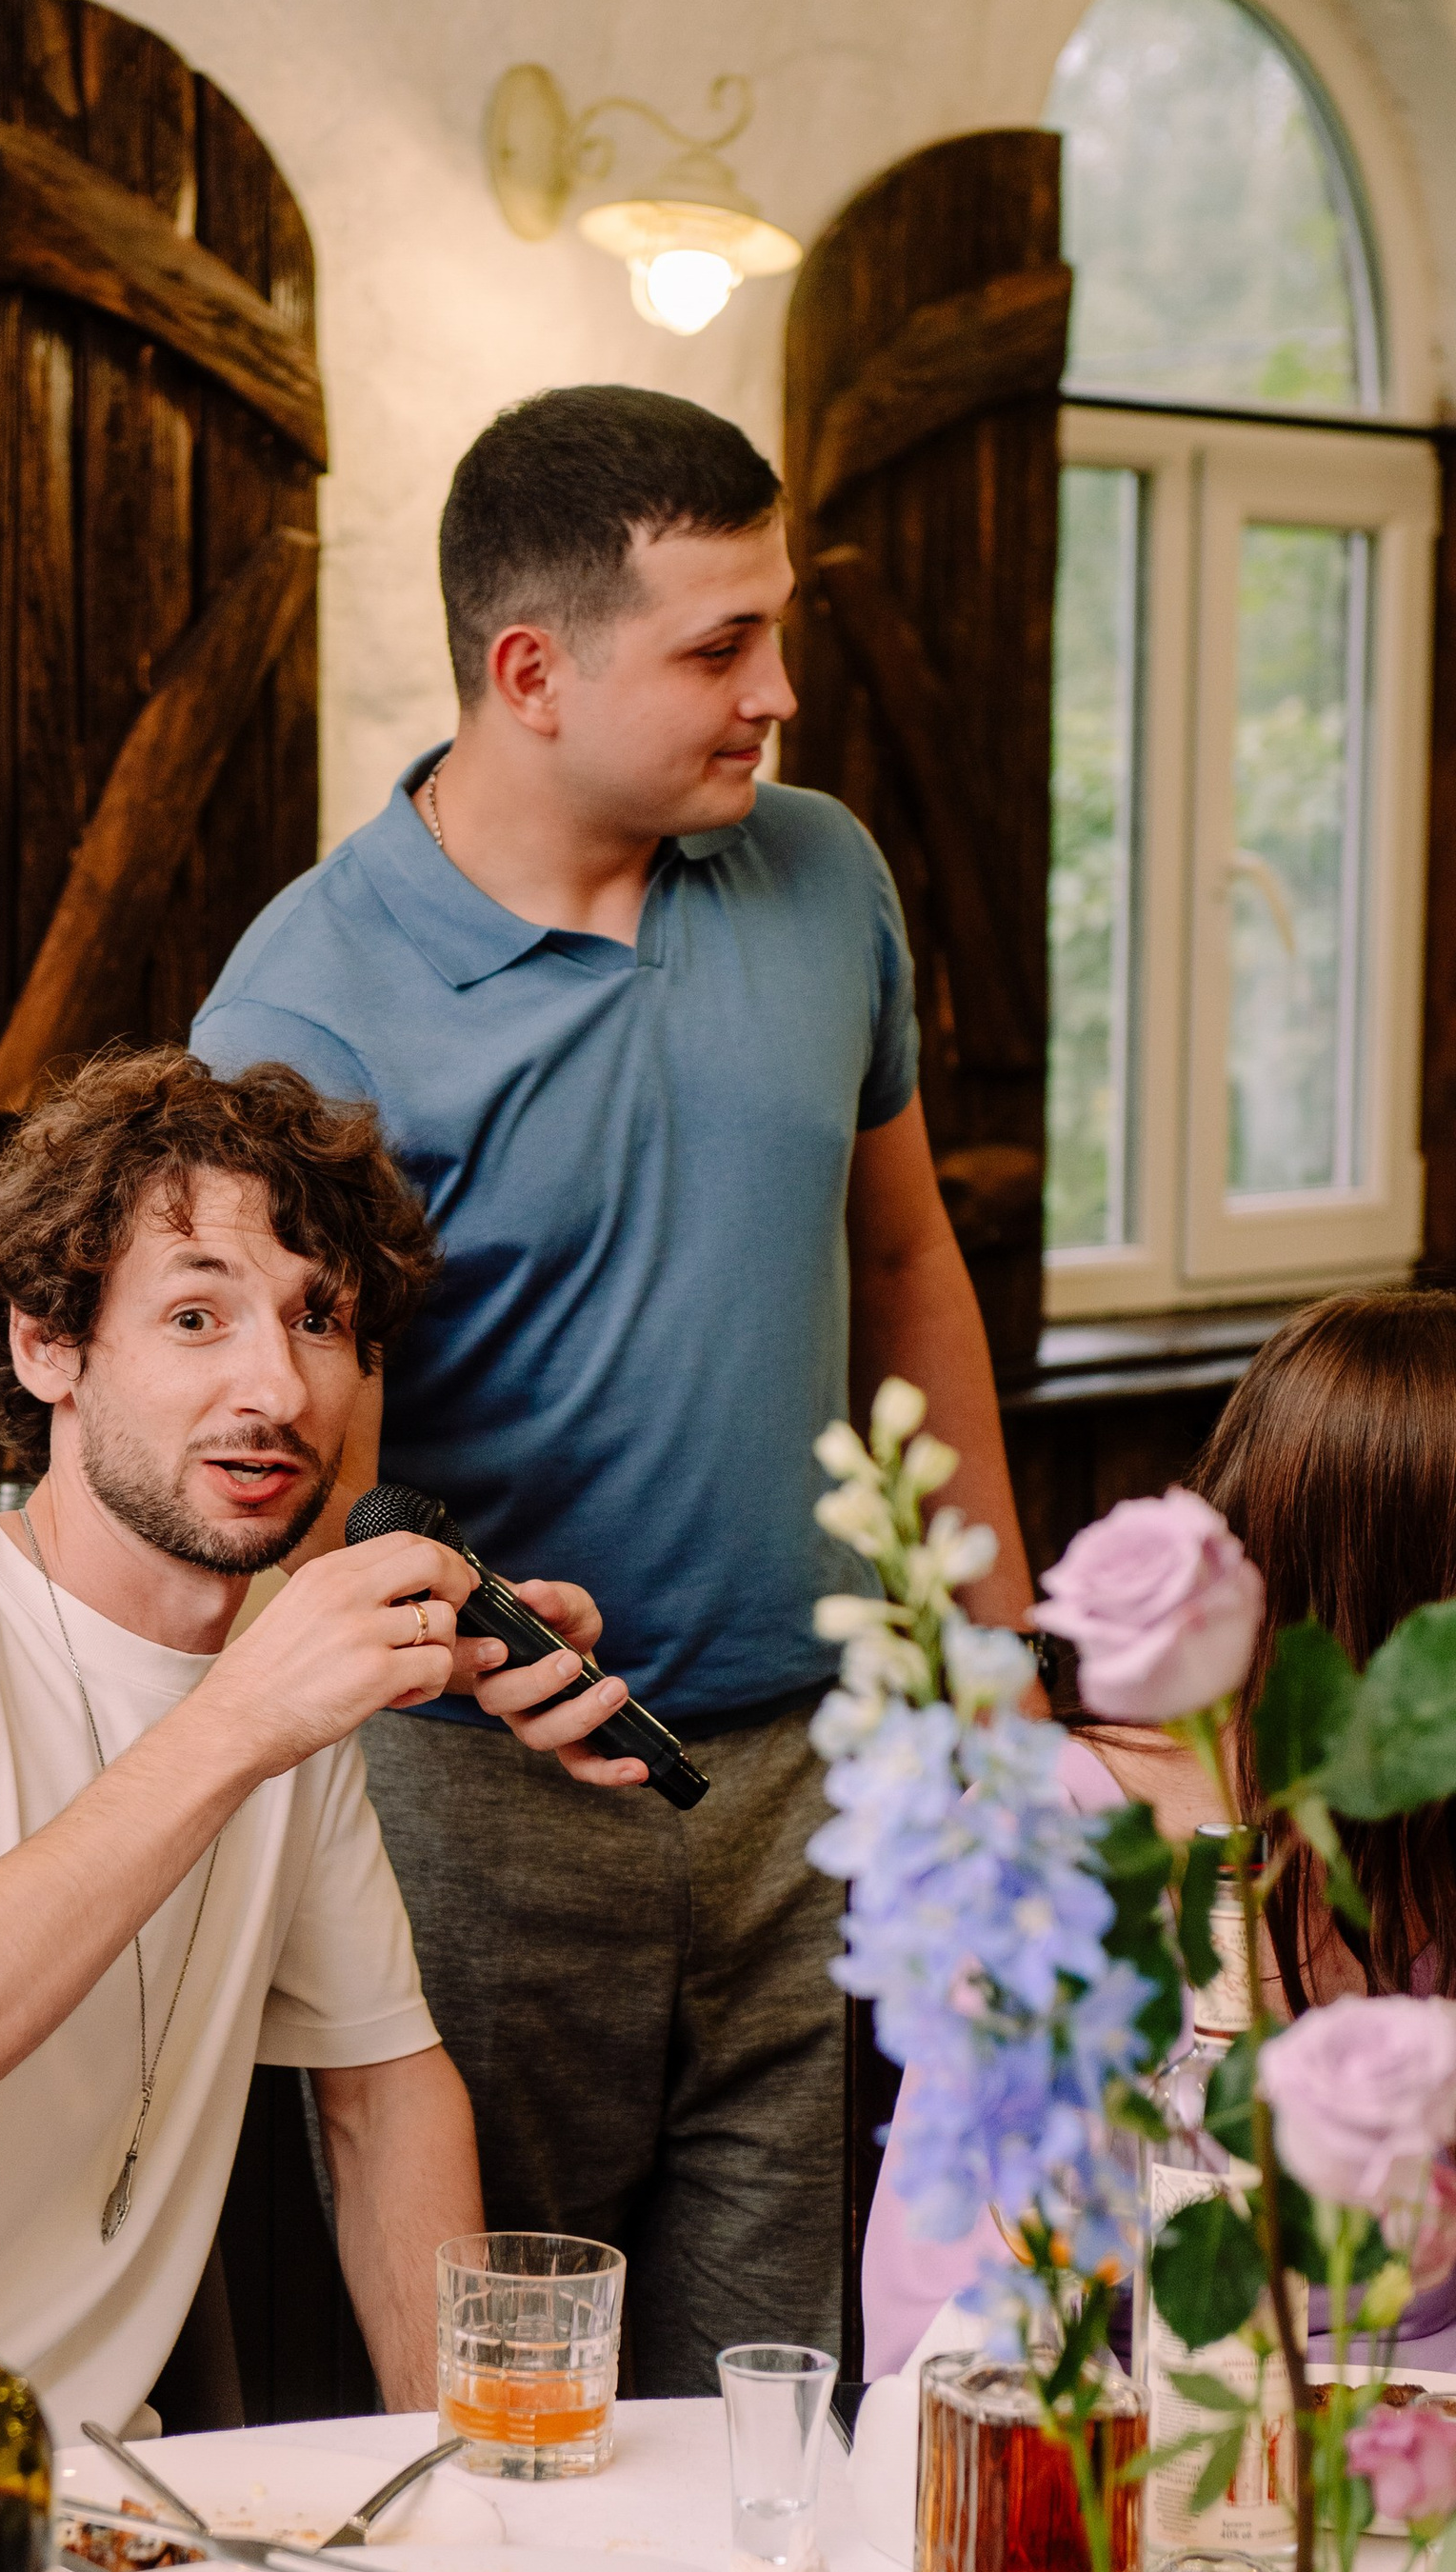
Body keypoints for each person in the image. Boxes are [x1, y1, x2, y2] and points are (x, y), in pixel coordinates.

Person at [192, 383, 1034, 2390]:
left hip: (819, 1786)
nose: (777, 693)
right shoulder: (305, 1005)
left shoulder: (823, 876)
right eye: (717, 647)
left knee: (768, 2403)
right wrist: (466, 1654)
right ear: (528, 670)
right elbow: (295, 1483)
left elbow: (906, 1259)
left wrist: (994, 1684)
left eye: (774, 631)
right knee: (512, 2405)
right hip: (474, 1812)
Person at [0, 1048, 606, 2460]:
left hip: (86, 2528)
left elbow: (386, 2099)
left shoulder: (275, 1678)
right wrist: (240, 1720)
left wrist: (471, 2481)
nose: (275, 1383)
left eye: (317, 1318)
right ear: (48, 1344)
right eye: (197, 1315)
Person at [864, 1286, 1456, 2377]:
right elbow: (947, 2323)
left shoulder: (1435, 1837)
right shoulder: (1052, 1841)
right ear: (1401, 1609)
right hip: (1139, 2462)